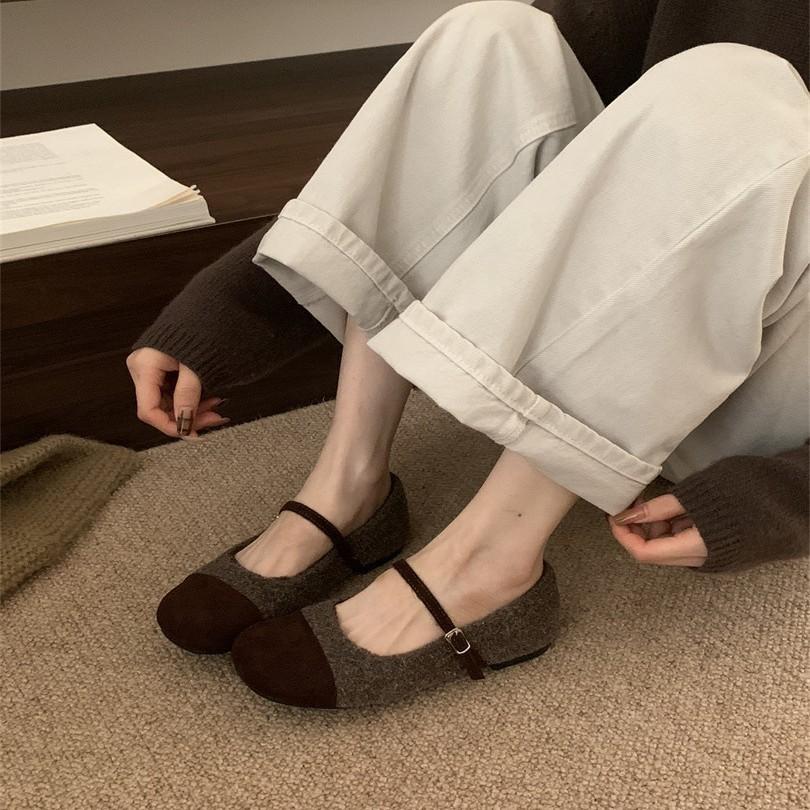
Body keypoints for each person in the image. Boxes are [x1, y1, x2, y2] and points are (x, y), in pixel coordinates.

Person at [127, 1, 809, 708]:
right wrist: (225, 313)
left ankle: (491, 560)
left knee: (735, 93)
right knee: (490, 42)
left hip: (773, 373)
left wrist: (785, 496)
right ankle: (349, 483)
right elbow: (471, 147)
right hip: (673, 325)